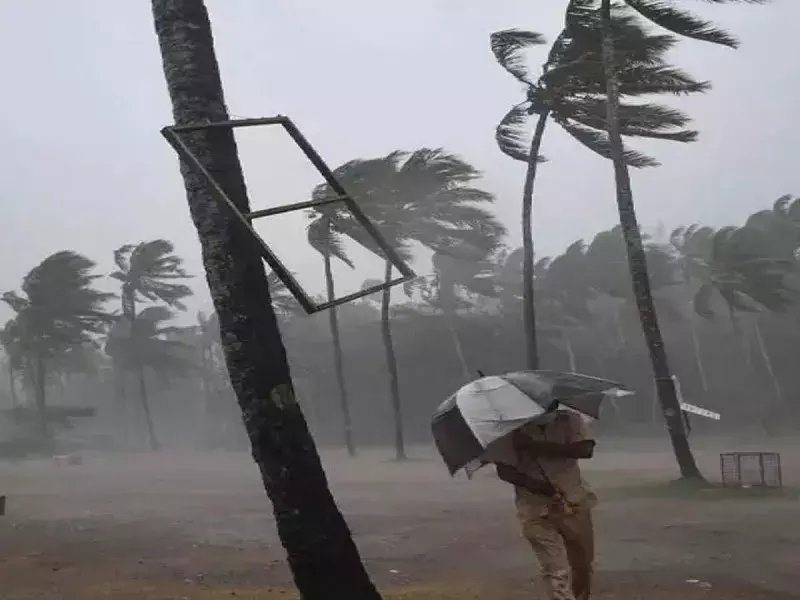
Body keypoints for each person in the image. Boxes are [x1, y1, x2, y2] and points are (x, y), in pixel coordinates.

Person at [495, 404, 597, 600]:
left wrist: (536, 446)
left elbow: (585, 449)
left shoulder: (571, 419)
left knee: (582, 564)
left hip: (574, 501)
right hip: (534, 507)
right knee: (554, 568)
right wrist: (536, 485)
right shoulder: (509, 428)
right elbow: (504, 470)